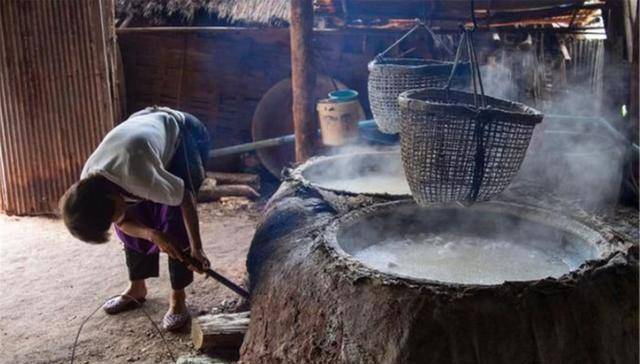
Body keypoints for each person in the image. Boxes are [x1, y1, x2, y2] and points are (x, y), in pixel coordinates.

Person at [60, 106, 211, 331]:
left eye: (113, 214)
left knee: (175, 222)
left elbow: (185, 198)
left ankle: (178, 298)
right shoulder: (88, 184)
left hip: (183, 133)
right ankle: (137, 288)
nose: (116, 220)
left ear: (112, 196)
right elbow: (121, 222)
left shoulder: (138, 175)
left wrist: (196, 248)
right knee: (135, 222)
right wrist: (152, 234)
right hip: (141, 136)